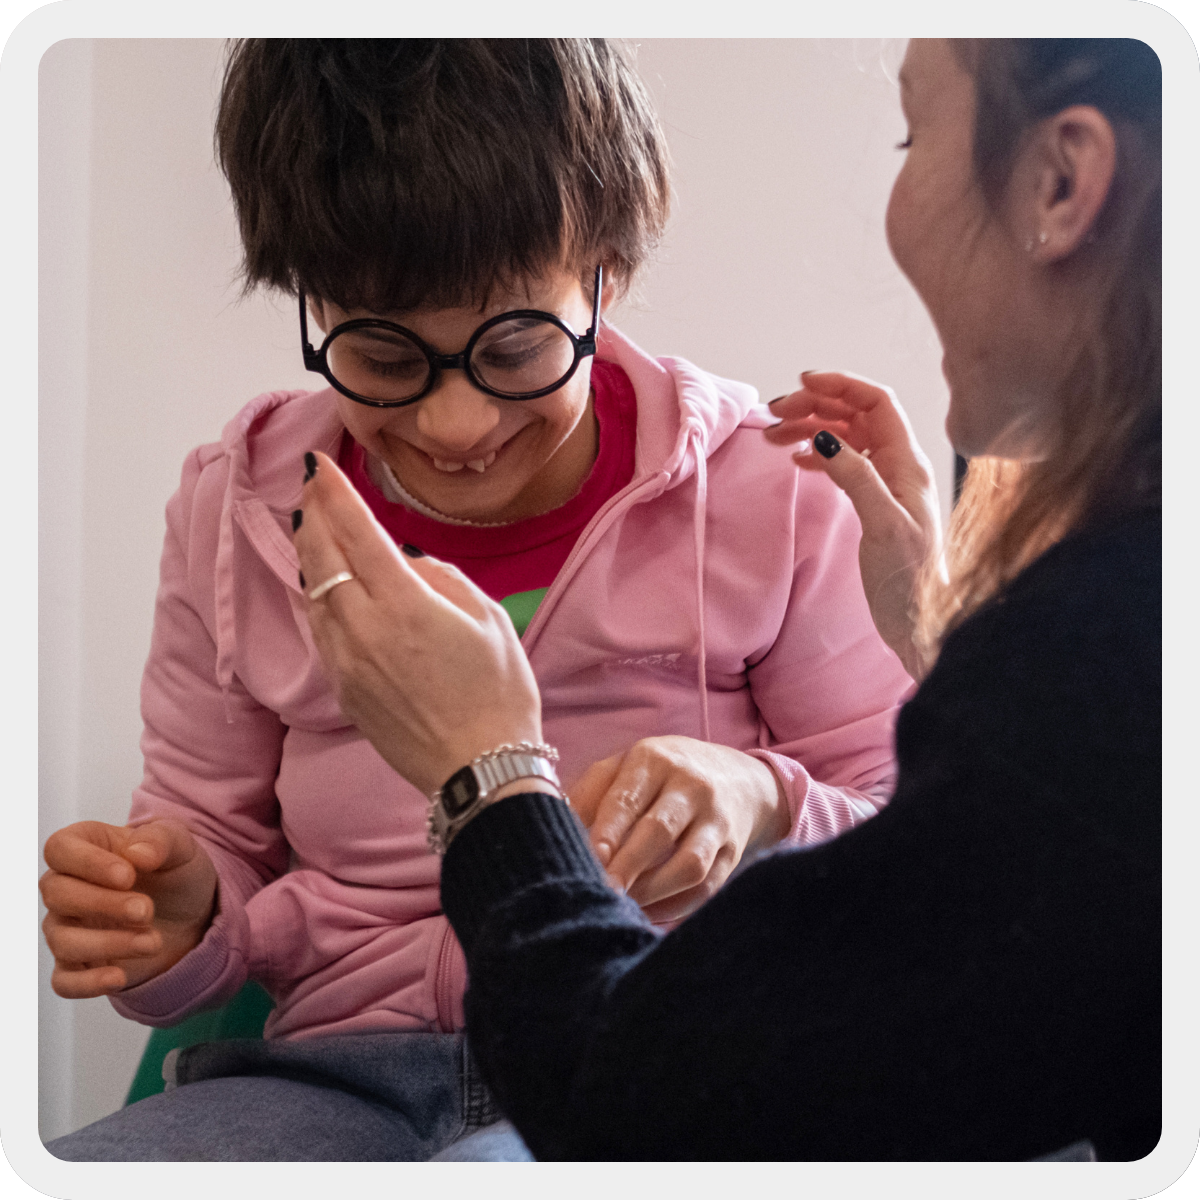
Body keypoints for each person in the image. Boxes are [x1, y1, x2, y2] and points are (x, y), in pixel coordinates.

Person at [290, 37, 1161, 1160]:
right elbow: (1020, 892)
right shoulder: (1112, 641)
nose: (457, 428)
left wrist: (491, 775)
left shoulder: (1111, 635)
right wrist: (953, 653)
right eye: (385, 348)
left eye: (911, 132)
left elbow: (640, 1109)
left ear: (1060, 180)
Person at [40, 40, 910, 1161]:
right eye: (383, 355)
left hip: (651, 1046)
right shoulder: (236, 511)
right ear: (305, 296)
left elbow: (900, 834)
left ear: (606, 273)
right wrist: (180, 920)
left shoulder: (768, 491)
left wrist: (760, 799)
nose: (456, 429)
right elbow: (210, 845)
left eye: (513, 345)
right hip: (333, 1072)